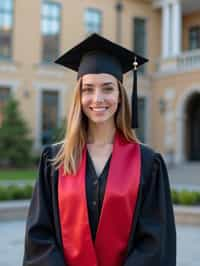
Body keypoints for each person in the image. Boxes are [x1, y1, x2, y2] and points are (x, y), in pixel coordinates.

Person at [23, 33, 176, 266]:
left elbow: (155, 242)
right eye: (88, 89)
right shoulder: (55, 160)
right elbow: (39, 236)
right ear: (79, 96)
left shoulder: (147, 163)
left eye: (107, 88)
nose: (97, 98)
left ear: (120, 95)